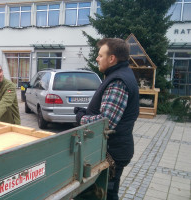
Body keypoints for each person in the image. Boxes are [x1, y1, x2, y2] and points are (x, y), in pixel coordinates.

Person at [74, 38, 139, 200]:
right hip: (113, 148)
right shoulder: (119, 74)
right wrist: (87, 112)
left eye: (100, 55)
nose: (97, 58)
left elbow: (106, 122)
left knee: (100, 194)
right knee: (106, 193)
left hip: (112, 152)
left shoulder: (118, 81)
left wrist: (82, 118)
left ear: (112, 59)